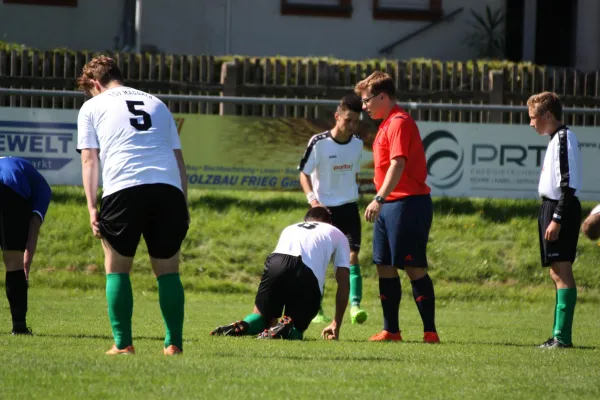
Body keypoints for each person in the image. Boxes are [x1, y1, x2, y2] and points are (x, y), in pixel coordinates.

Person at [76, 56, 189, 355]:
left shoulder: (92, 106)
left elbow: (89, 158)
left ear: (94, 83)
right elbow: (178, 160)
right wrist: (183, 202)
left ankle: (123, 344)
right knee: (168, 271)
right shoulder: (157, 103)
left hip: (124, 188)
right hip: (168, 190)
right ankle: (173, 343)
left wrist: (91, 207)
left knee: (116, 269)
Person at [354, 71, 439, 343]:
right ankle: (391, 331)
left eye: (367, 100)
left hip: (408, 203)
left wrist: (378, 198)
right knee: (384, 266)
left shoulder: (399, 122)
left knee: (413, 268)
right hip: (389, 204)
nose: (364, 106)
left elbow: (398, 163)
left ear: (382, 97)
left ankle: (430, 333)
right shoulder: (385, 124)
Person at [210, 207, 350, 340]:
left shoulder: (290, 228)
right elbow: (343, 282)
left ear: (306, 220)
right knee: (296, 327)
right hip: (306, 271)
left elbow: (285, 266)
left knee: (261, 316)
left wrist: (271, 324)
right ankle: (288, 328)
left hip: (276, 263)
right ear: (329, 222)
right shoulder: (337, 233)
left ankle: (246, 324)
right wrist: (336, 324)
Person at [297, 94, 368, 325]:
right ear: (337, 116)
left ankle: (355, 306)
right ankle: (317, 310)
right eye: (348, 120)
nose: (352, 126)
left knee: (352, 257)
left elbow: (354, 172)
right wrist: (312, 200)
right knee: (319, 260)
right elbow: (304, 172)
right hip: (324, 211)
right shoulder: (318, 143)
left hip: (348, 208)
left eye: (356, 121)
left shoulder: (358, 143)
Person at [528, 91, 582, 349]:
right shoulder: (555, 139)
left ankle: (562, 337)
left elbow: (568, 184)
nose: (531, 123)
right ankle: (558, 335)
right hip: (552, 207)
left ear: (547, 115)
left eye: (533, 117)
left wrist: (557, 217)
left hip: (561, 208)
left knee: (562, 270)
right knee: (556, 270)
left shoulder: (563, 138)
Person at [0, 156, 51, 335]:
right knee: (13, 262)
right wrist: (25, 267)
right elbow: (33, 230)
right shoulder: (43, 190)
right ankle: (19, 326)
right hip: (12, 190)